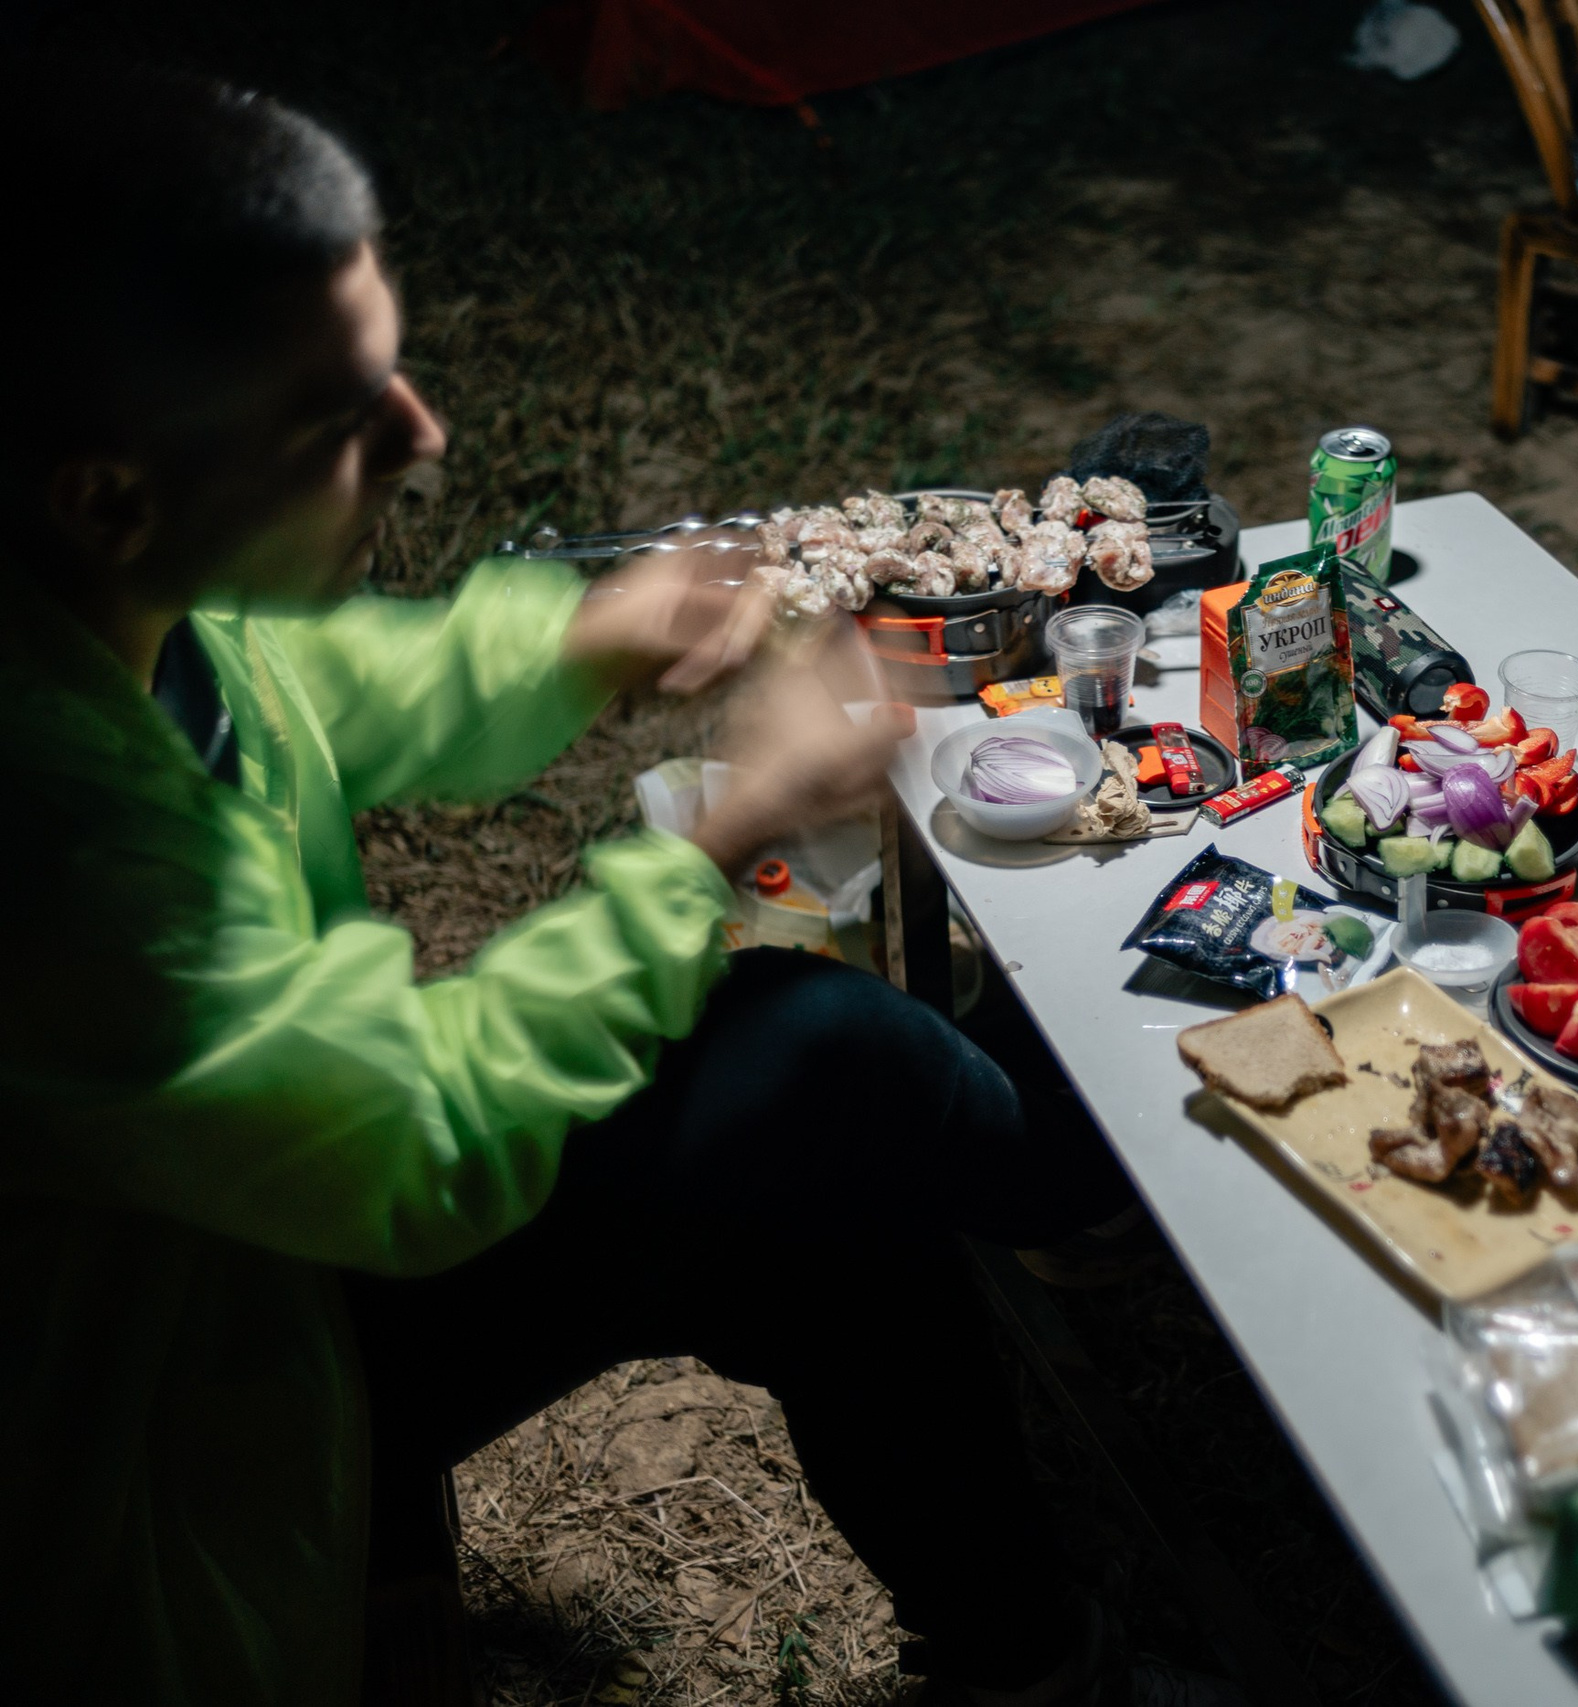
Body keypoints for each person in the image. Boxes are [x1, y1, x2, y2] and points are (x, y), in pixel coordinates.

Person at [0, 73, 1199, 1707]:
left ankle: (1026, 1632)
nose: (421, 438)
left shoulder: (109, 600)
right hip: (206, 1397)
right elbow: (414, 1146)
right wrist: (714, 837)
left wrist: (572, 638)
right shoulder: (49, 854)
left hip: (268, 1235)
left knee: (815, 1162)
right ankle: (1076, 1187)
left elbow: (322, 686)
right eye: (335, 411)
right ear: (106, 490)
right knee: (817, 1059)